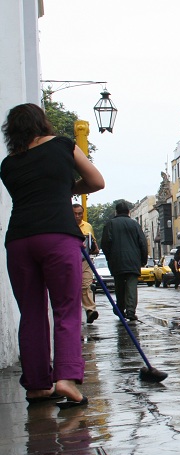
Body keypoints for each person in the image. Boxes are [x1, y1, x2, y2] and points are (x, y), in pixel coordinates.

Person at [0, 103, 104, 407]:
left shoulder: (8, 164)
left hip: (19, 240)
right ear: (42, 122)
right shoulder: (63, 146)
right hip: (57, 237)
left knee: (31, 314)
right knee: (66, 309)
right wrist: (68, 188)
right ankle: (66, 379)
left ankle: (36, 386)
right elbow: (97, 182)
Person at [101, 202, 148, 321]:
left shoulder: (110, 224)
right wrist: (143, 260)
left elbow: (105, 244)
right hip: (133, 261)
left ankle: (120, 308)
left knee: (119, 286)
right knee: (132, 286)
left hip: (117, 261)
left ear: (116, 212)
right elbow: (143, 243)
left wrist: (109, 257)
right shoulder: (135, 225)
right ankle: (131, 311)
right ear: (128, 212)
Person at [73, 203, 100, 323]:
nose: (77, 216)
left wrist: (95, 248)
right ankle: (74, 313)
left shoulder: (87, 226)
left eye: (80, 214)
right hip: (70, 260)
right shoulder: (67, 225)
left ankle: (90, 310)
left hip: (85, 260)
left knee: (86, 285)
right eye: (75, 214)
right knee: (72, 287)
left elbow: (93, 241)